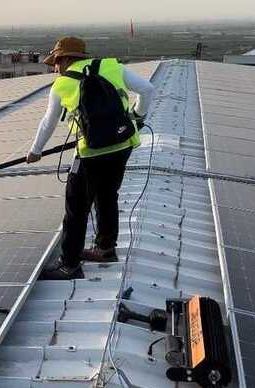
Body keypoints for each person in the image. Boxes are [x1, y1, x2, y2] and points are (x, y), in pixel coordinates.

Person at [26, 37, 155, 280]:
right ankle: (105, 249)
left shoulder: (62, 84)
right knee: (107, 195)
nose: (55, 67)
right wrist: (137, 117)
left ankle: (70, 265)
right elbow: (148, 89)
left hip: (90, 153)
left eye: (56, 62)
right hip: (123, 144)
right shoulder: (112, 66)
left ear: (65, 59)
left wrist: (35, 151)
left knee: (76, 208)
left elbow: (48, 122)